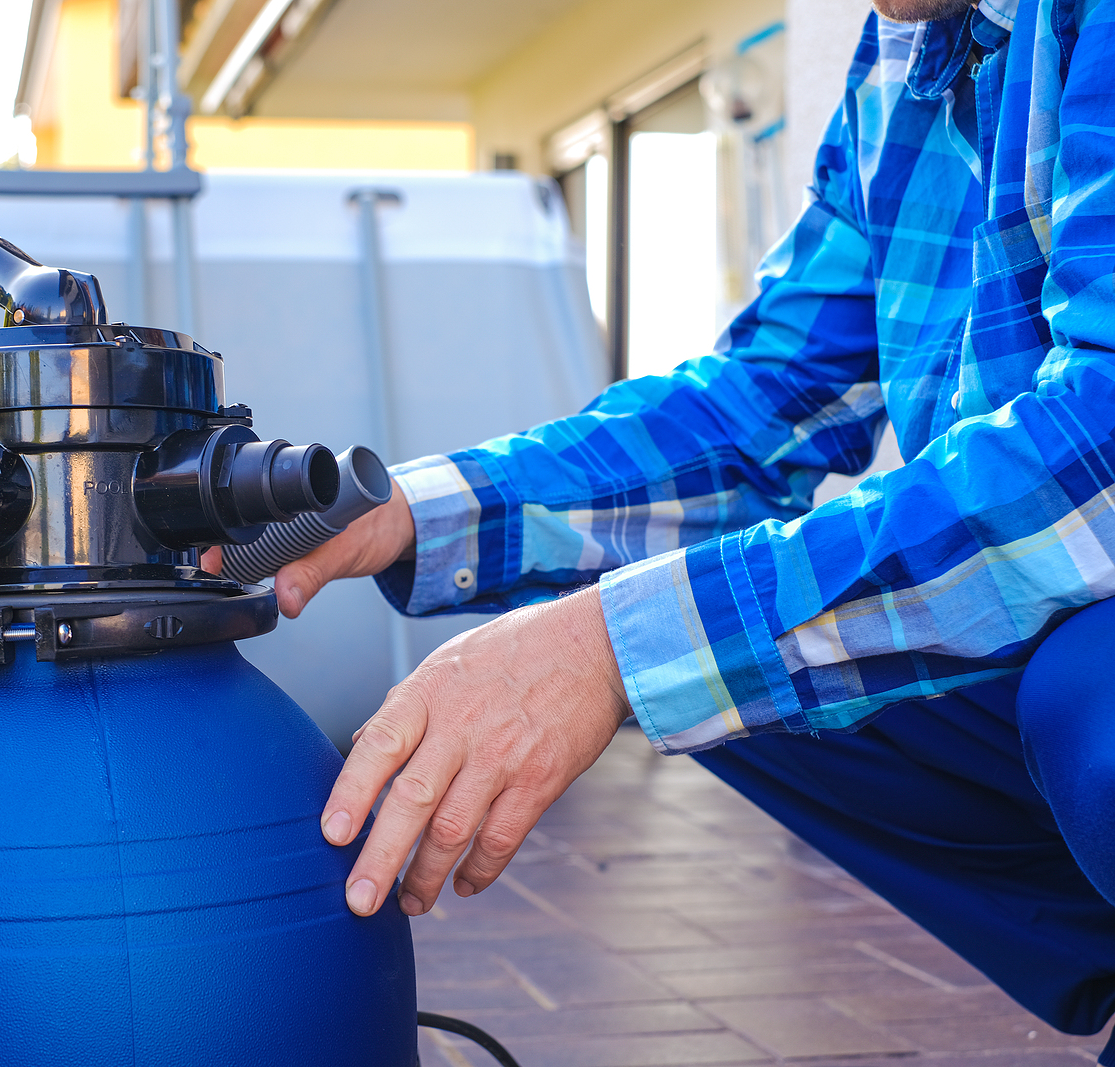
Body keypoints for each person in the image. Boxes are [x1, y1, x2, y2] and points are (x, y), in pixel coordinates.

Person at [223, 0, 1115, 1052]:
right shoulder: (909, 51)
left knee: (1075, 691)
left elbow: (1096, 451)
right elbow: (766, 395)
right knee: (692, 649)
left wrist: (606, 646)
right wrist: (415, 510)